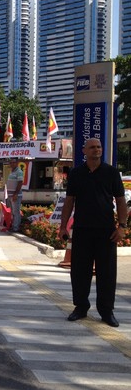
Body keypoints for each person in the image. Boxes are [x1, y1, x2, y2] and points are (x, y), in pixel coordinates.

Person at [59, 138, 128, 327]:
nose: (96, 150)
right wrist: (63, 226)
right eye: (92, 147)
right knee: (80, 272)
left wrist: (122, 226)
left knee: (107, 273)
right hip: (81, 230)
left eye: (99, 147)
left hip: (106, 231)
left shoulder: (111, 173)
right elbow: (69, 201)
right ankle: (80, 307)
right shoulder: (76, 173)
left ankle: (107, 311)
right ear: (84, 151)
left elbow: (121, 201)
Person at [6, 158, 24, 232]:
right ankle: (14, 225)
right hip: (10, 195)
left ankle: (15, 228)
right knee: (13, 212)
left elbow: (20, 183)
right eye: (10, 163)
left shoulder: (19, 172)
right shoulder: (12, 171)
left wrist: (15, 194)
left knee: (16, 212)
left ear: (17, 163)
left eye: (13, 162)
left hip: (15, 195)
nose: (11, 164)